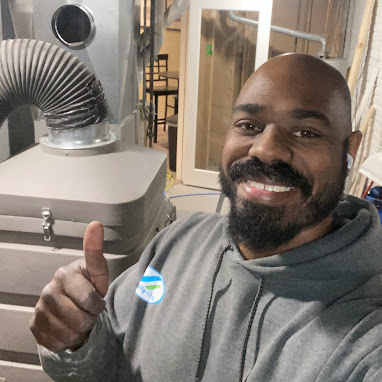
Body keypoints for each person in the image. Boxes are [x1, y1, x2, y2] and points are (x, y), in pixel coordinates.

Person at [31, 53, 382, 382]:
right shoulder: (177, 242)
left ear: (349, 150)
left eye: (306, 132)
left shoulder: (364, 327)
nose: (265, 148)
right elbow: (110, 362)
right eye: (249, 125)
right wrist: (75, 336)